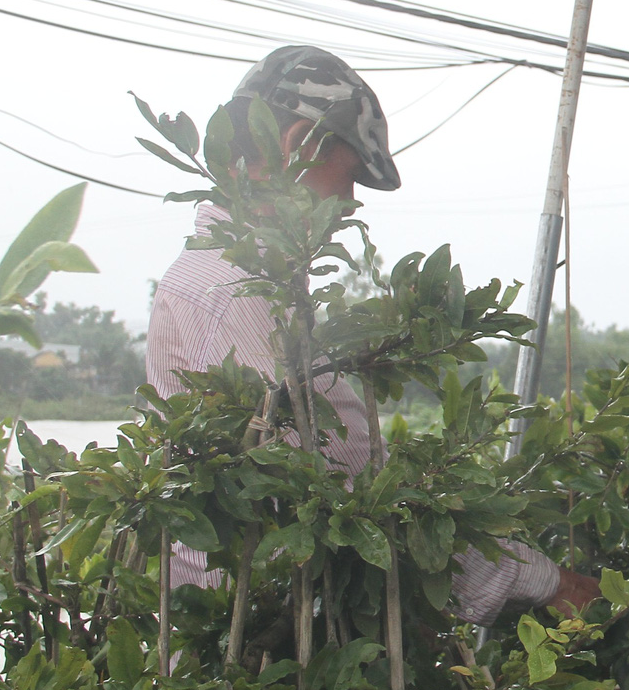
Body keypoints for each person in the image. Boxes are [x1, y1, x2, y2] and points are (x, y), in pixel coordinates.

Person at [146, 45, 600, 621]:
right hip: (260, 647)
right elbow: (359, 498)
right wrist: (543, 581)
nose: (350, 200)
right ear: (299, 147)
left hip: (218, 631)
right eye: (351, 173)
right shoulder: (246, 292)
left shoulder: (201, 274)